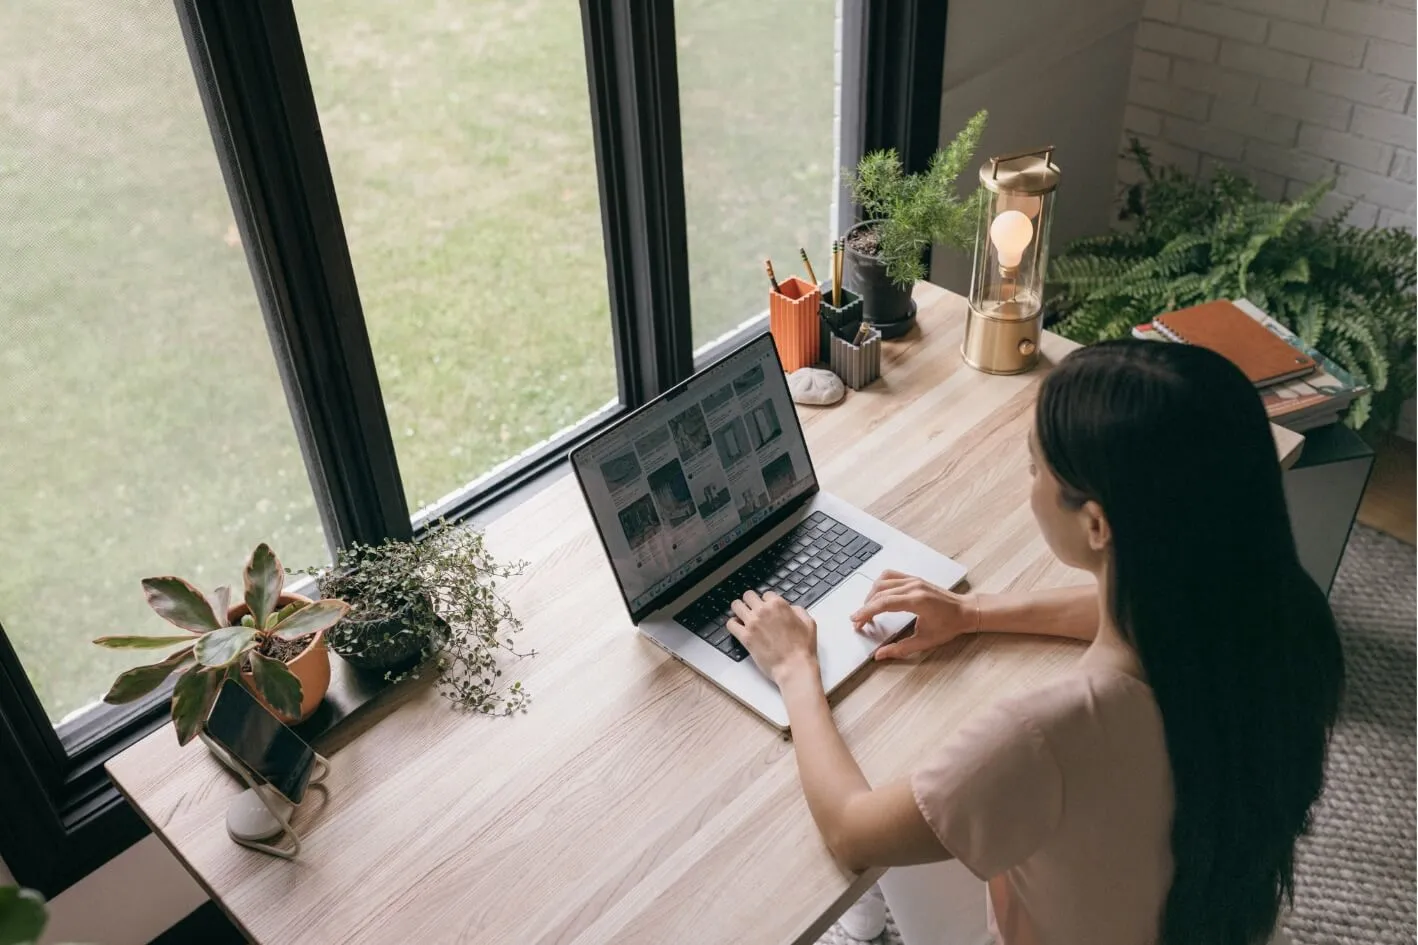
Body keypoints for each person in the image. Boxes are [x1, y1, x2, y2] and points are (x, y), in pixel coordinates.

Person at [726, 340, 1344, 945]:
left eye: (1033, 468)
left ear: (1096, 524)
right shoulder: (1286, 615)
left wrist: (795, 666)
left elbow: (850, 832)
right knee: (946, 800)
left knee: (903, 790)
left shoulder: (1045, 735)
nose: (1029, 484)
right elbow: (1158, 610)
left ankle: (857, 926)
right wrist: (971, 612)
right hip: (1218, 916)